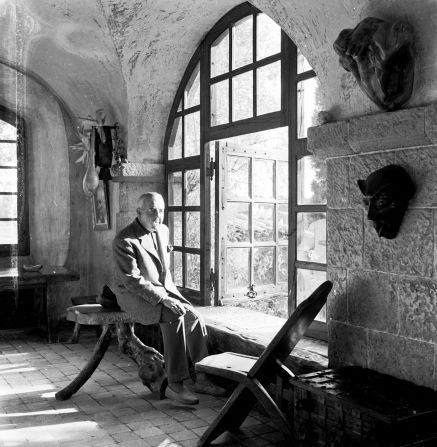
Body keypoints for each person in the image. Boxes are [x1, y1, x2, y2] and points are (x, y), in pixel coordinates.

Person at [113, 192, 224, 404]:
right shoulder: (124, 240)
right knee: (174, 316)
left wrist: (171, 295)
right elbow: (132, 281)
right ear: (138, 212)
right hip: (133, 295)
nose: (158, 215)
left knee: (194, 317)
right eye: (152, 210)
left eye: (162, 210)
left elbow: (163, 271)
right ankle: (175, 384)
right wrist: (164, 299)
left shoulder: (162, 230)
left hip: (162, 289)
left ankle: (201, 376)